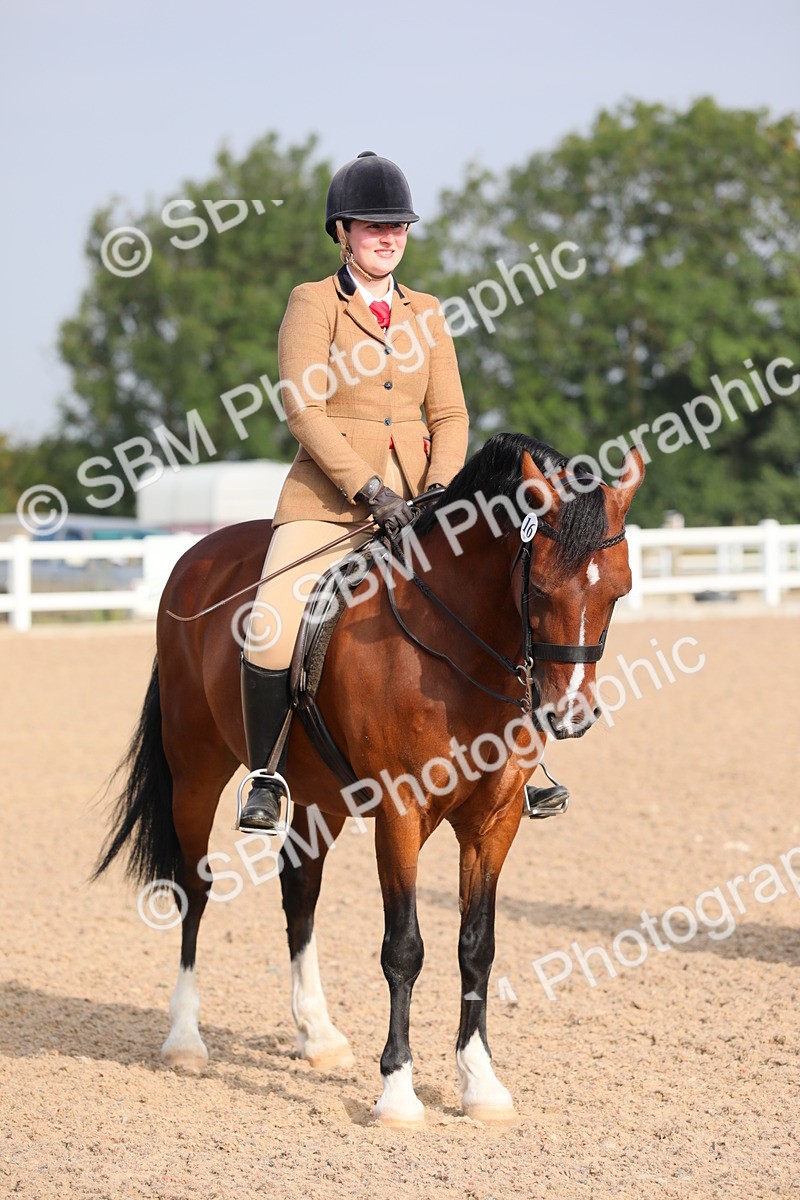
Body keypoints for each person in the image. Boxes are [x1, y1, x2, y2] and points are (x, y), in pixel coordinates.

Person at [238, 151, 469, 832]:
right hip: (332, 504)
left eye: (398, 226)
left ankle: (517, 758)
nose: (389, 237)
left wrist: (436, 490)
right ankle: (267, 776)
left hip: (418, 503)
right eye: (374, 226)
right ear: (342, 229)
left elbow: (450, 415)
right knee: (271, 627)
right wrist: (369, 487)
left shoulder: (426, 311)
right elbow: (303, 409)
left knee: (494, 595)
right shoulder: (315, 303)